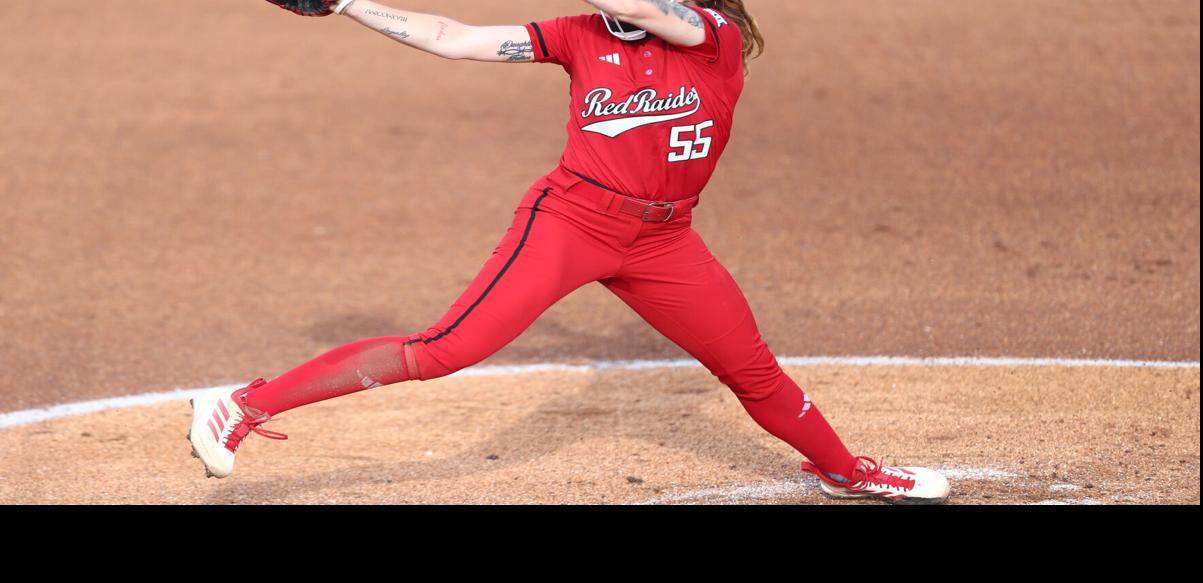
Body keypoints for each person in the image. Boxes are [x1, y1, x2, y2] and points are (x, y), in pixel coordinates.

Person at [189, 0, 950, 504]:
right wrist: (350, 0)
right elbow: (456, 41)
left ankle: (844, 471)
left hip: (663, 239)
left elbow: (633, 5)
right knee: (447, 348)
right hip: (571, 221)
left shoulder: (708, 32)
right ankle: (241, 404)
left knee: (751, 370)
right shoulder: (578, 33)